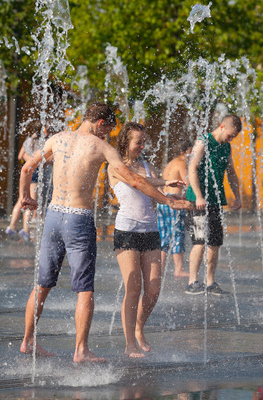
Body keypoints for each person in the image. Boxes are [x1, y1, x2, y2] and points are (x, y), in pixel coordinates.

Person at [19, 103, 192, 364]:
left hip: (53, 217)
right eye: (108, 130)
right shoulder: (101, 147)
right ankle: (81, 350)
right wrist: (167, 200)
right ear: (100, 124)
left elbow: (26, 168)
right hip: (78, 220)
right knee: (85, 289)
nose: (109, 136)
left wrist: (25, 197)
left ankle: (28, 340)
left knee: (42, 283)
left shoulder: (57, 139)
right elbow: (133, 180)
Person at [108, 122, 193, 358]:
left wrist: (171, 190)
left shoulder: (147, 165)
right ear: (126, 141)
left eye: (144, 141)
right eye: (139, 142)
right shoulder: (116, 166)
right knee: (133, 288)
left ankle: (139, 327)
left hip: (151, 232)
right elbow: (137, 181)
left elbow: (151, 182)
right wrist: (168, 197)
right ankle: (129, 344)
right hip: (127, 232)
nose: (143, 146)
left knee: (154, 289)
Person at [185, 115, 242, 295]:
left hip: (216, 201)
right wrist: (199, 196)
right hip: (197, 201)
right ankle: (192, 281)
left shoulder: (226, 146)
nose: (230, 139)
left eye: (233, 137)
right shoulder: (203, 142)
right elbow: (192, 168)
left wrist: (237, 196)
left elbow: (231, 172)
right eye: (230, 135)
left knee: (215, 242)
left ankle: (210, 282)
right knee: (200, 241)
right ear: (222, 126)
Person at [5, 121, 49, 242]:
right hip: (34, 174)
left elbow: (20, 156)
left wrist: (29, 160)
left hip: (25, 172)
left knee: (21, 200)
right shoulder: (42, 142)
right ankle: (25, 230)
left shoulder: (28, 140)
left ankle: (12, 227)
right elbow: (45, 159)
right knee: (30, 201)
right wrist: (35, 161)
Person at [157, 140, 193, 277]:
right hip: (175, 203)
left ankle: (160, 269)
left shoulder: (170, 163)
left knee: (164, 236)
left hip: (163, 201)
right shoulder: (182, 163)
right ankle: (179, 269)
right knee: (177, 233)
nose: (193, 155)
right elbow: (188, 183)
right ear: (183, 152)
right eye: (191, 152)